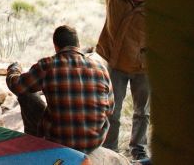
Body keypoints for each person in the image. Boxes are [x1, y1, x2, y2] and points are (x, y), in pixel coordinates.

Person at [86, 0, 149, 160]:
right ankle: (111, 150)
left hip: (144, 70)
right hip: (117, 66)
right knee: (112, 111)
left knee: (142, 113)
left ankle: (138, 150)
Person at [6, 25, 114, 154]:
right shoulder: (101, 69)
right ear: (78, 44)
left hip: (59, 141)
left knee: (26, 95)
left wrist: (14, 69)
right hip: (92, 142)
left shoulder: (48, 65)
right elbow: (110, 108)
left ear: (56, 46)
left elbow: (16, 86)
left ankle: (33, 147)